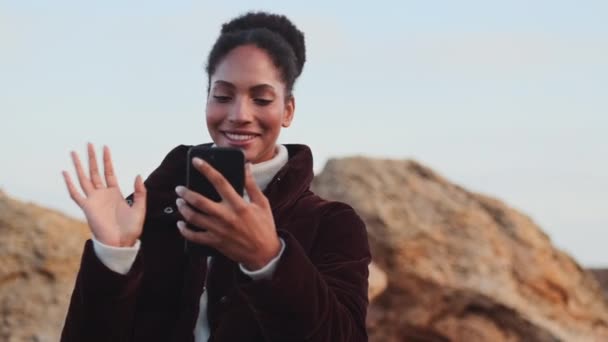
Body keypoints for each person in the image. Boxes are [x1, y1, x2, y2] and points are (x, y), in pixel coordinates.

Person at [60, 11, 371, 342]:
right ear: (207, 99)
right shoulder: (151, 208)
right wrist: (113, 255)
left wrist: (270, 260)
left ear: (288, 110)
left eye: (262, 99)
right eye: (222, 96)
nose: (239, 115)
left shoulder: (331, 225)